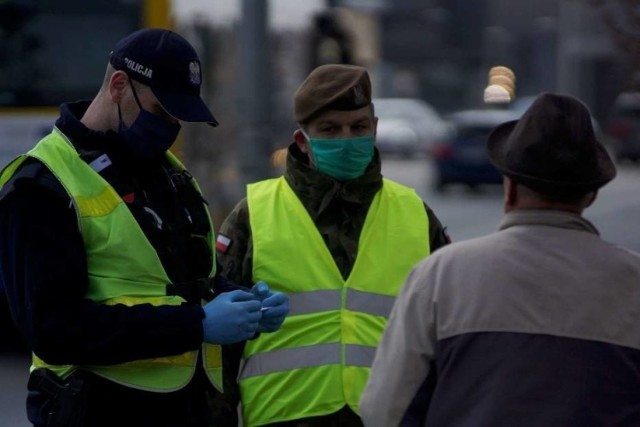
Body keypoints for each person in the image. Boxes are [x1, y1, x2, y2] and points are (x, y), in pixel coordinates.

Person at [0, 28, 288, 427]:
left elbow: (178, 282)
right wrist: (198, 324)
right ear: (119, 86)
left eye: (179, 118)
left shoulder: (167, 172)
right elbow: (53, 329)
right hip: (99, 410)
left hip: (187, 408)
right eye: (161, 111)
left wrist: (241, 301)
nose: (171, 127)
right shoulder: (42, 185)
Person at [360, 92, 640, 426]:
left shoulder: (441, 276)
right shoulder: (633, 283)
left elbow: (385, 410)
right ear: (590, 195)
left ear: (509, 189)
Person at [215, 64, 450, 426]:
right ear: (302, 141)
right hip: (284, 416)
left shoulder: (416, 214)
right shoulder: (253, 215)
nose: (346, 139)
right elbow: (222, 347)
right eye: (330, 129)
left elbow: (446, 333)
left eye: (358, 127)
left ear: (374, 129)